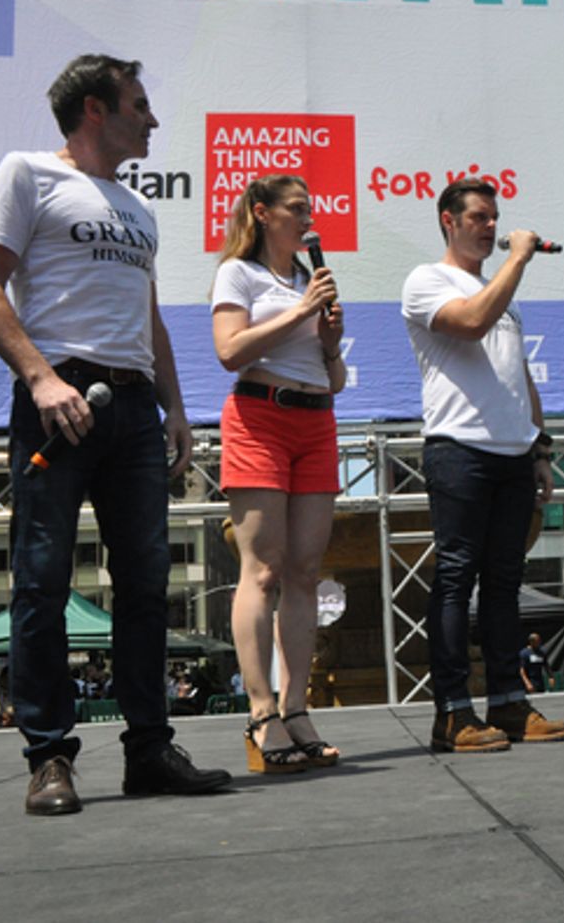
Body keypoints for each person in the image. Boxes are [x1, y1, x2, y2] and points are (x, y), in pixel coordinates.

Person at [0, 54, 232, 815]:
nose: (152, 120)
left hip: (135, 407)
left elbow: (148, 317)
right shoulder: (28, 173)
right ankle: (49, 756)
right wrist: (42, 379)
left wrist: (175, 407)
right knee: (41, 581)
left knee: (147, 583)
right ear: (94, 109)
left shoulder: (138, 206)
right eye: (139, 105)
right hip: (59, 401)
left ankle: (149, 749)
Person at [401, 177, 564, 752]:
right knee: (456, 578)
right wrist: (518, 259)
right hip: (458, 448)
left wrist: (540, 449)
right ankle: (452, 713)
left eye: (495, 217)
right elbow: (471, 323)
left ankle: (509, 702)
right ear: (448, 220)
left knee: (505, 582)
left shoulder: (503, 293)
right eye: (479, 216)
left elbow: (519, 376)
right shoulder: (426, 280)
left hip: (513, 452)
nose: (491, 226)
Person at [211, 173, 346, 773]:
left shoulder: (308, 281)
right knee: (262, 571)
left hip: (317, 421)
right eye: (297, 209)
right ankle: (261, 711)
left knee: (306, 572)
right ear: (263, 213)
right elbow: (229, 351)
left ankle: (297, 708)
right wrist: (302, 311)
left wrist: (331, 342)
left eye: (310, 209)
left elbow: (335, 378)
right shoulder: (238, 273)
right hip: (259, 418)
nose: (308, 219)